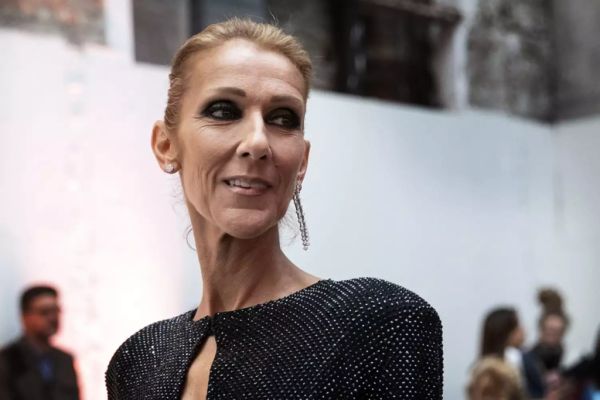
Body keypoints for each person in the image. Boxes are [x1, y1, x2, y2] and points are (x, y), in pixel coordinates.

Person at [105, 18, 443, 400]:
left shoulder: (377, 323)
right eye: (223, 111)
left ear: (302, 162)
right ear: (166, 145)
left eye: (283, 118)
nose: (257, 142)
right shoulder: (138, 363)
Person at [0, 285, 80, 400]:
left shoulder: (65, 360)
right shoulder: (7, 360)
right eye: (44, 312)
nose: (53, 318)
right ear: (25, 317)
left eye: (56, 311)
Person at [469, 307, 544, 400]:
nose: (523, 330)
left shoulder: (482, 367)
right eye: (517, 326)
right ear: (506, 332)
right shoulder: (498, 368)